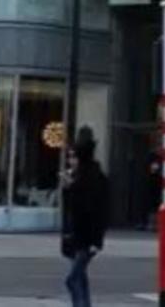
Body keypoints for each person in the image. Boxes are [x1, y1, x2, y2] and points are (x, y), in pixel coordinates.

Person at [61, 128, 110, 307]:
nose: (70, 161)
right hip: (79, 236)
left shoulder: (91, 178)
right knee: (80, 278)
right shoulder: (81, 178)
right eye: (69, 157)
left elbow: (94, 210)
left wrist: (96, 239)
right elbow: (71, 210)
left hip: (85, 237)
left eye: (73, 157)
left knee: (73, 279)